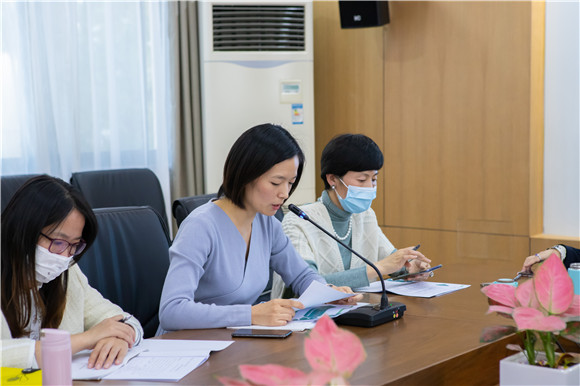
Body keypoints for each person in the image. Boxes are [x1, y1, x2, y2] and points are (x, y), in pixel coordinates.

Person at [157, 124, 359, 333]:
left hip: (233, 342)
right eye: (275, 182)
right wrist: (251, 314)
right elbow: (172, 311)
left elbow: (301, 277)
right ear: (246, 175)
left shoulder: (268, 224)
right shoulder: (200, 226)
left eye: (290, 183)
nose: (284, 194)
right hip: (186, 349)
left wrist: (328, 294)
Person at [1, 175, 143, 370]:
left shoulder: (67, 272)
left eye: (74, 246)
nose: (65, 256)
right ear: (24, 231)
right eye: (58, 242)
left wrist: (121, 337)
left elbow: (120, 319)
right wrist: (86, 339)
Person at [272, 134, 432, 299]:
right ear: (333, 178)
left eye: (374, 179)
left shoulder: (365, 215)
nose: (370, 187)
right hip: (310, 319)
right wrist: (379, 268)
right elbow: (305, 286)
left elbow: (390, 260)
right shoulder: (299, 220)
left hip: (358, 311)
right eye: (362, 180)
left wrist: (410, 267)